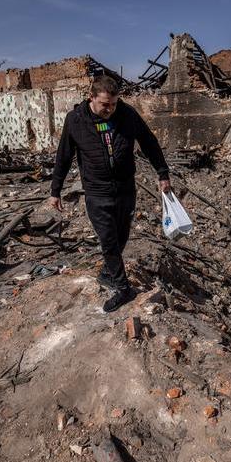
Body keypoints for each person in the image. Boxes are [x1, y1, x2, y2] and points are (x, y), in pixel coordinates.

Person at [48, 75, 171, 312]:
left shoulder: (127, 115)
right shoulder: (75, 120)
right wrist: (56, 190)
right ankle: (123, 288)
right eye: (105, 104)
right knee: (109, 240)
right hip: (97, 191)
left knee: (121, 235)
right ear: (91, 97)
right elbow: (63, 156)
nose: (110, 109)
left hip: (125, 189)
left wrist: (162, 173)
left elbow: (149, 142)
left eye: (114, 104)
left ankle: (107, 272)